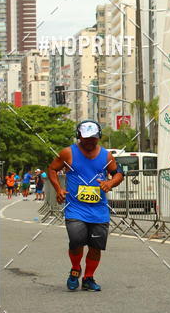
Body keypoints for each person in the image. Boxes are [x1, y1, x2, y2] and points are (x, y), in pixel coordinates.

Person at [48, 121, 123, 291]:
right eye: (86, 138)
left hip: (99, 211)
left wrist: (110, 183)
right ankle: (75, 269)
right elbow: (52, 169)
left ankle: (88, 278)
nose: (90, 141)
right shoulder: (68, 153)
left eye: (93, 138)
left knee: (96, 247)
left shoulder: (106, 156)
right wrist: (59, 189)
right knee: (76, 241)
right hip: (75, 208)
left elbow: (118, 173)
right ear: (79, 136)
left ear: (99, 137)